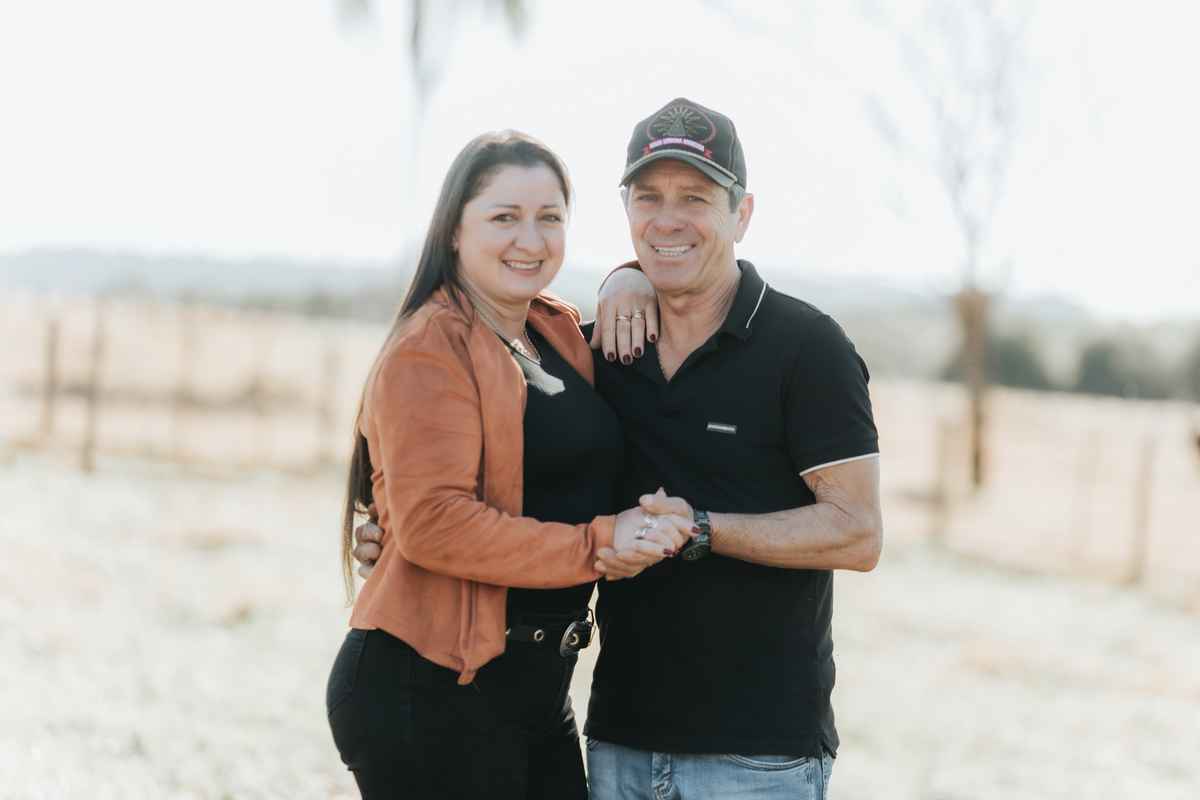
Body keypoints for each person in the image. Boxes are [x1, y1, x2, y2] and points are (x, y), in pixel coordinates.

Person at [357, 99, 884, 800]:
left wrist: (700, 529)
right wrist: (396, 530)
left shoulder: (807, 347)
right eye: (648, 198)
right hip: (617, 738)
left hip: (757, 751)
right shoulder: (600, 349)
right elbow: (499, 472)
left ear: (743, 214)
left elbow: (858, 533)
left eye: (695, 198)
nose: (668, 219)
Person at [327, 129, 696, 800]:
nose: (531, 239)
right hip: (434, 682)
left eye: (549, 217)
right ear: (454, 231)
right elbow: (436, 525)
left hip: (534, 681)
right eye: (504, 217)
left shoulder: (550, 332)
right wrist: (601, 541)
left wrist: (631, 274)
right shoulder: (431, 347)